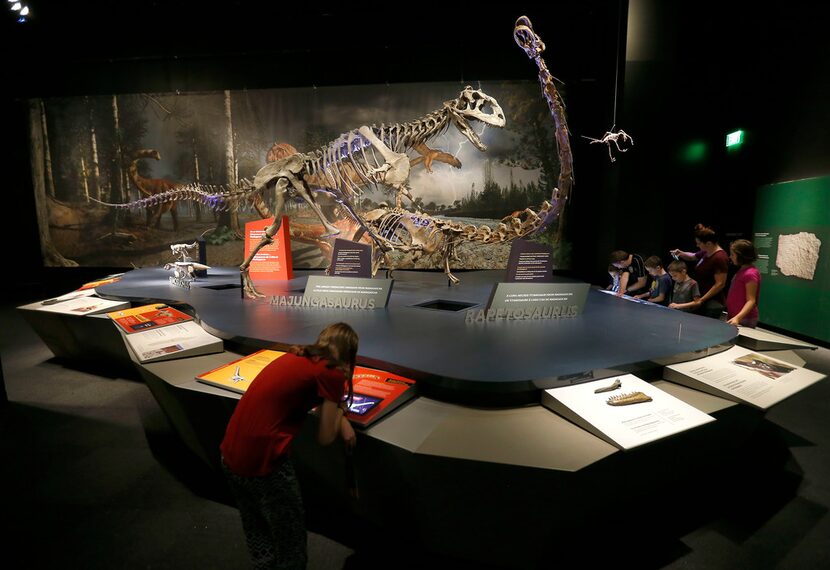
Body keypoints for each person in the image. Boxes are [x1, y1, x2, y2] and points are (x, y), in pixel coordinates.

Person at [220, 322, 358, 570]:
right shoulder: (332, 372)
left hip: (230, 452)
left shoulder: (298, 356)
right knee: (290, 540)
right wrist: (341, 415)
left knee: (257, 531)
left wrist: (338, 413)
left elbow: (303, 392)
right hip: (265, 462)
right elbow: (326, 436)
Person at [669, 223, 728, 318]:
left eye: (699, 243)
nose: (697, 245)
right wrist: (681, 253)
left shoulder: (719, 258)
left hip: (711, 302)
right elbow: (693, 256)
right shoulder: (707, 251)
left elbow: (720, 284)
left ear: (708, 243)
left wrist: (701, 300)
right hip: (701, 297)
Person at [726, 239, 761, 327]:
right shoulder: (742, 270)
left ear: (741, 256)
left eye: (732, 254)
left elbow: (751, 300)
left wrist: (738, 318)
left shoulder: (750, 273)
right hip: (736, 317)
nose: (730, 257)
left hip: (744, 319)